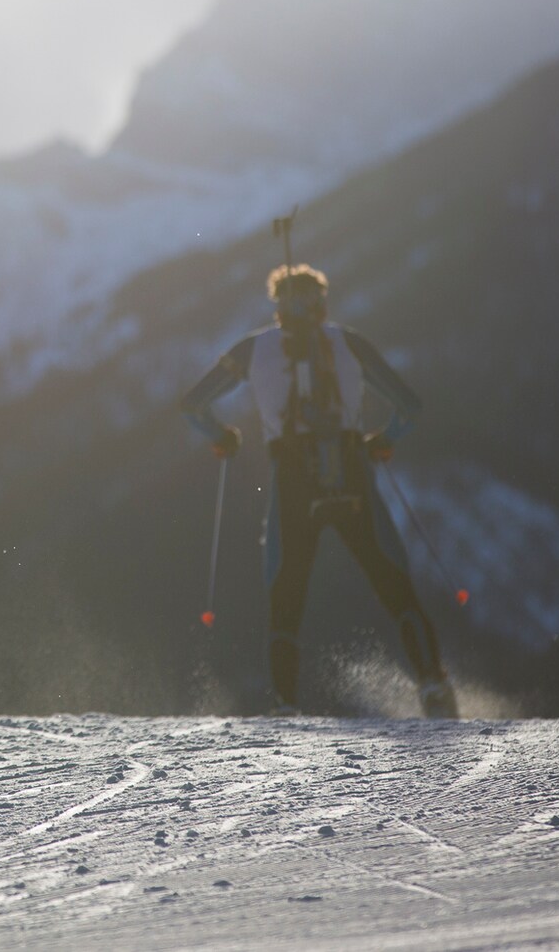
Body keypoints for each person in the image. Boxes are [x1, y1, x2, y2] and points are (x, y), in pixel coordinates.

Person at [179, 263, 458, 718]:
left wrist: (222, 437)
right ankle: (431, 683)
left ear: (277, 307)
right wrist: (384, 440)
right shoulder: (350, 343)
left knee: (285, 595)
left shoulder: (252, 350)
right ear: (322, 301)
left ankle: (286, 702)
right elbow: (409, 405)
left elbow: (193, 405)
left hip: (291, 480)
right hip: (351, 473)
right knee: (394, 584)